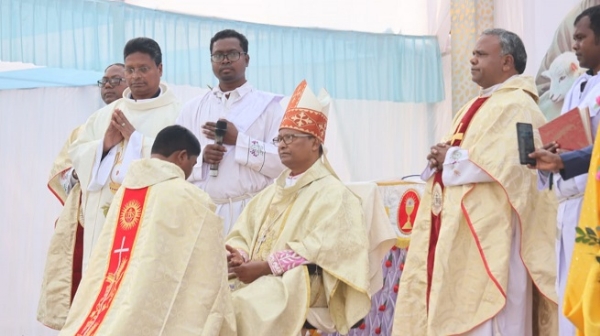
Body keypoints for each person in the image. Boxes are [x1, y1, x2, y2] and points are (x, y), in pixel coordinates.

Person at [392, 29, 558, 335]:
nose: (471, 59)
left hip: (494, 232)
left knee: (492, 318)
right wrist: (437, 159)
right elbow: (462, 155)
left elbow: (514, 164)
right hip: (459, 227)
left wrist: (450, 159)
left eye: (481, 54)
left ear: (507, 62)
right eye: (473, 53)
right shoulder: (475, 105)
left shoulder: (519, 106)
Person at [225, 80, 376, 336]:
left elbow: (326, 246)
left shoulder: (334, 193)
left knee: (241, 307)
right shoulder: (270, 194)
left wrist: (265, 267)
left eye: (290, 138)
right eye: (280, 138)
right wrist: (239, 255)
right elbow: (242, 233)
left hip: (302, 281)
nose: (282, 144)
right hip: (256, 276)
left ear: (315, 143)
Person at [58, 125, 236, 336]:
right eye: (193, 163)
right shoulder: (190, 196)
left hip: (117, 291)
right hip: (151, 294)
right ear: (182, 156)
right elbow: (204, 256)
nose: (190, 172)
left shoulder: (125, 191)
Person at [68, 37, 181, 273]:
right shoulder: (105, 115)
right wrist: (105, 145)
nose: (136, 76)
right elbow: (77, 153)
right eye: (130, 70)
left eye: (143, 69)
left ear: (159, 69)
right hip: (104, 223)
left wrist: (136, 139)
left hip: (148, 220)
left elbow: (181, 164)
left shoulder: (177, 113)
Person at [37, 63, 128, 330]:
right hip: (84, 217)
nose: (109, 86)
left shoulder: (144, 121)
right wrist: (84, 168)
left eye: (116, 80)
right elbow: (61, 173)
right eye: (104, 81)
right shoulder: (86, 128)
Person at [176, 29, 285, 235]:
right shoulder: (192, 108)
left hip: (250, 210)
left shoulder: (269, 107)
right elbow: (172, 161)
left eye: (232, 54)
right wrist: (200, 159)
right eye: (218, 55)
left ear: (246, 59)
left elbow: (283, 162)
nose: (225, 60)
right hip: (202, 210)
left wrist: (239, 140)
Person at [537, 6, 600, 335]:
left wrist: (565, 161)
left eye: (581, 38)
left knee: (593, 295)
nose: (574, 45)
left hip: (594, 205)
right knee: (568, 296)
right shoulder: (576, 87)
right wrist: (548, 157)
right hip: (567, 204)